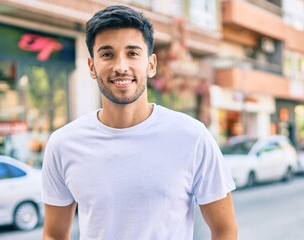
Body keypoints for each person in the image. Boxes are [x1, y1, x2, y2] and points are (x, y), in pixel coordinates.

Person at [41, 5, 237, 240]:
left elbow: (224, 230)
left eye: (132, 53)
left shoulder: (192, 136)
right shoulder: (64, 143)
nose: (121, 66)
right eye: (107, 54)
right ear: (92, 67)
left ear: (151, 64)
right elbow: (53, 234)